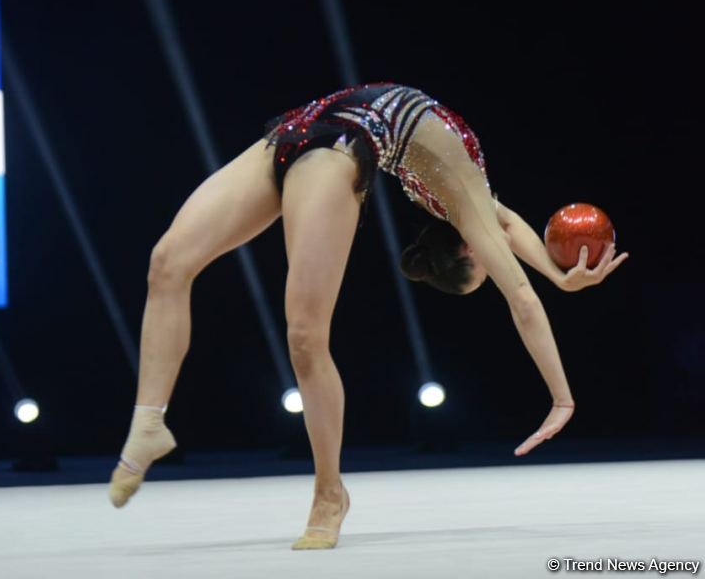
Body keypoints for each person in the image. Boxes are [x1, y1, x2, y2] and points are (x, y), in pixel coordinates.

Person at [108, 81, 629, 549]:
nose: (495, 257)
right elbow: (520, 289)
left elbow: (506, 231)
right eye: (488, 266)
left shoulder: (457, 197)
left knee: (305, 336)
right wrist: (561, 394)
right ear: (471, 252)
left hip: (331, 153)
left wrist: (558, 278)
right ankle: (148, 422)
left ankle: (329, 494)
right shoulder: (465, 198)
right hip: (296, 134)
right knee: (167, 263)